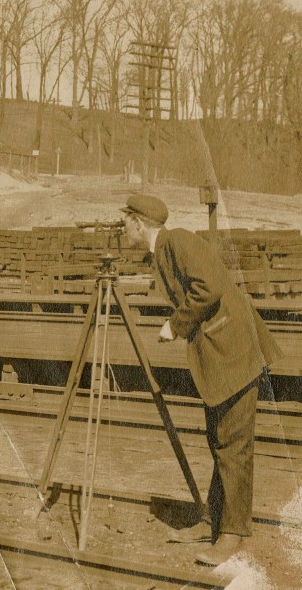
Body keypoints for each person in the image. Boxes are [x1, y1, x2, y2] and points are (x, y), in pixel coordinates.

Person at [120, 194, 281, 566]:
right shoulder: (162, 251)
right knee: (220, 441)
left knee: (233, 444)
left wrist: (175, 325)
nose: (122, 229)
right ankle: (214, 520)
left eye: (125, 222)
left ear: (139, 222)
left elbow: (209, 285)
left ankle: (234, 534)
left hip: (235, 350)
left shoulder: (177, 240)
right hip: (222, 354)